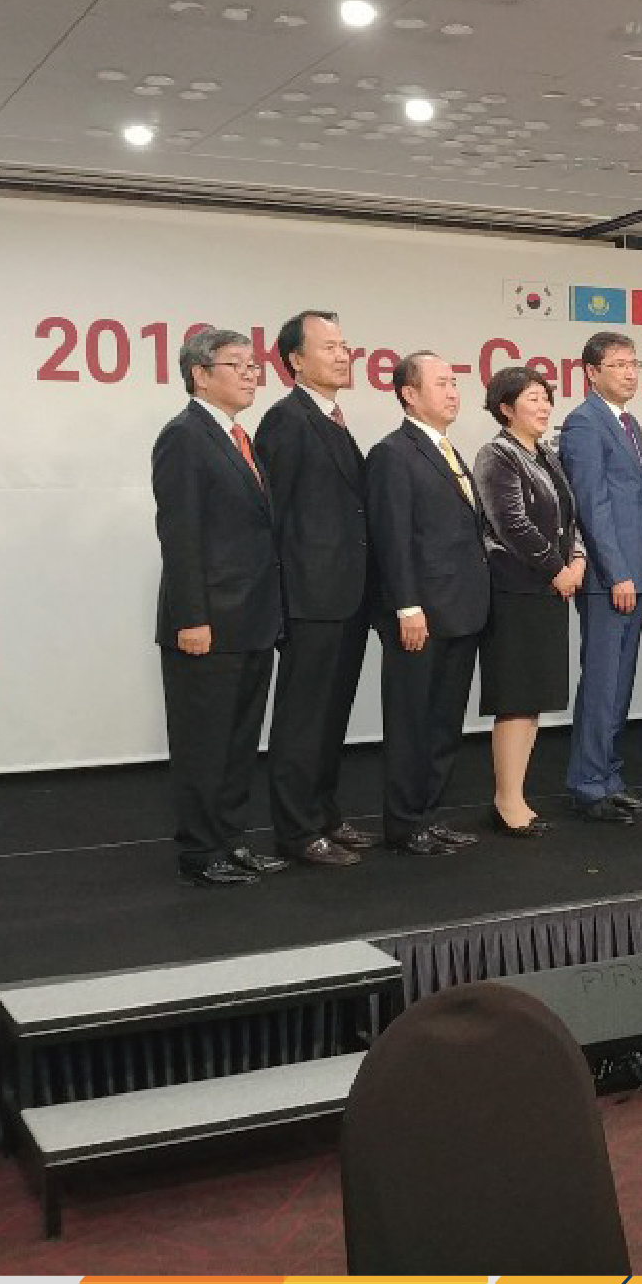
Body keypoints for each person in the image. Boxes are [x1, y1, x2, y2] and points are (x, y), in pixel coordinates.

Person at [152, 328, 287, 887]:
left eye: (254, 365)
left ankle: (232, 841)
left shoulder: (238, 437)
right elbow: (180, 534)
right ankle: (201, 852)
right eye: (238, 365)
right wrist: (192, 617)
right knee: (203, 744)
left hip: (251, 619)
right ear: (200, 374)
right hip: (207, 623)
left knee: (239, 743)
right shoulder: (184, 436)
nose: (252, 374)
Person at [255, 310, 377, 869]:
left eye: (344, 345)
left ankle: (324, 813)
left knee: (332, 717)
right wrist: (280, 602)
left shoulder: (332, 418)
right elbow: (273, 518)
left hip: (346, 597)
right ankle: (297, 830)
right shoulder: (286, 420)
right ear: (295, 360)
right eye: (328, 347)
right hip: (309, 599)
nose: (342, 355)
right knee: (303, 720)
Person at [365, 351, 489, 857]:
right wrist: (406, 606)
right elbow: (391, 537)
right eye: (441, 383)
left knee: (443, 723)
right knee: (412, 721)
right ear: (409, 394)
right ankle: (404, 823)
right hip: (420, 614)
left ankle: (429, 815)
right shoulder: (393, 453)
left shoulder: (448, 450)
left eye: (455, 382)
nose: (453, 392)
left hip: (460, 609)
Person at [472, 365, 585, 838]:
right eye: (532, 398)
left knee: (534, 699)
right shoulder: (496, 455)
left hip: (549, 590)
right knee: (516, 699)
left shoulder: (547, 454)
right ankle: (507, 801)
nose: (544, 407)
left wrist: (577, 558)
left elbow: (568, 519)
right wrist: (557, 569)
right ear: (506, 408)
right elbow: (510, 524)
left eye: (546, 397)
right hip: (515, 591)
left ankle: (515, 795)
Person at [557, 331, 642, 825]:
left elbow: (638, 504)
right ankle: (587, 783)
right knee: (601, 684)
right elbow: (592, 506)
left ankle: (609, 776)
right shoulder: (583, 422)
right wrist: (618, 572)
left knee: (620, 685)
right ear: (591, 372)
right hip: (608, 578)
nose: (630, 372)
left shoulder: (630, 423)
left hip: (636, 573)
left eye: (634, 363)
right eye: (619, 364)